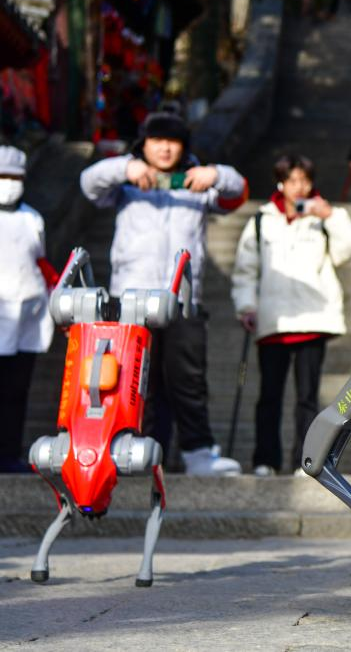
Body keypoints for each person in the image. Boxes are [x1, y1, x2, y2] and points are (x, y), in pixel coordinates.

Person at [80, 111, 247, 476]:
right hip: (129, 300)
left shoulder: (196, 183)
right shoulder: (125, 181)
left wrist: (215, 174)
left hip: (183, 299)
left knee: (188, 379)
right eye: (157, 140)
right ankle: (133, 447)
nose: (166, 148)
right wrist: (125, 168)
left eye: (173, 141)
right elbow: (88, 183)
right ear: (145, 144)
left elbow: (238, 192)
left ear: (184, 147)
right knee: (134, 380)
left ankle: (198, 452)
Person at [231, 155, 351, 476]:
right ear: (281, 183)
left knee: (307, 397)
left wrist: (331, 216)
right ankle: (265, 459)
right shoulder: (261, 220)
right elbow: (246, 270)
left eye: (304, 180)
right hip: (273, 320)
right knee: (269, 396)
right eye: (293, 180)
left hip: (314, 319)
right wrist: (246, 306)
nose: (299, 187)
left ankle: (305, 460)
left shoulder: (324, 217)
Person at [0, 146, 56, 473]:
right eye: (2, 177)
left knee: (16, 391)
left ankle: (9, 452)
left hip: (28, 318)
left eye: (14, 177)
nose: (8, 183)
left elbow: (40, 259)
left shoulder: (32, 217)